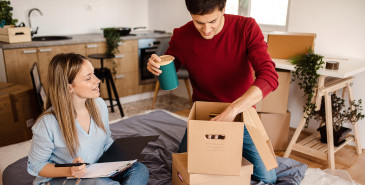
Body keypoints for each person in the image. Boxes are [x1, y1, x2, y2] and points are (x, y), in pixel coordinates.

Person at [147, 0, 278, 183]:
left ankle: (235, 147)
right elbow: (170, 68)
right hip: (204, 115)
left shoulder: (246, 27)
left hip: (242, 113)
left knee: (268, 177)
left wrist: (232, 110)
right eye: (199, 22)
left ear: (223, 9)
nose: (207, 30)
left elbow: (269, 76)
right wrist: (156, 66)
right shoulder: (181, 35)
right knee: (180, 169)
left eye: (213, 21)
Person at [27, 53, 149, 185]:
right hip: (64, 179)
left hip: (96, 171)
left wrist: (121, 158)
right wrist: (70, 171)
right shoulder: (47, 123)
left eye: (94, 74)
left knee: (140, 170)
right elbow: (36, 165)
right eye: (88, 78)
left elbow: (106, 140)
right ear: (69, 87)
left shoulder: (99, 105)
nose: (97, 80)